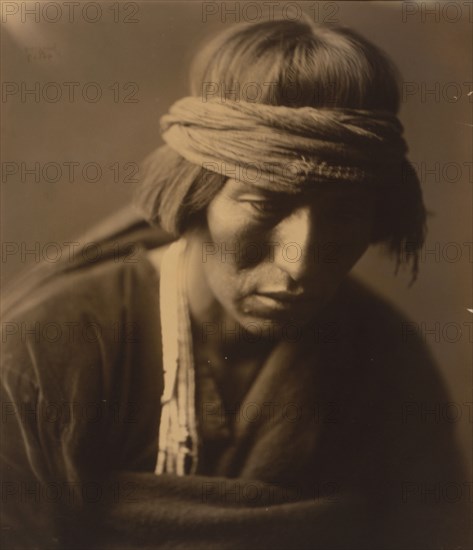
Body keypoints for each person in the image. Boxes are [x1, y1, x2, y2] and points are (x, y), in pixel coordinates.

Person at [1, 17, 469, 550]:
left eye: (343, 216)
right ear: (194, 196)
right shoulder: (45, 350)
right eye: (265, 204)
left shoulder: (385, 355)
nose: (301, 263)